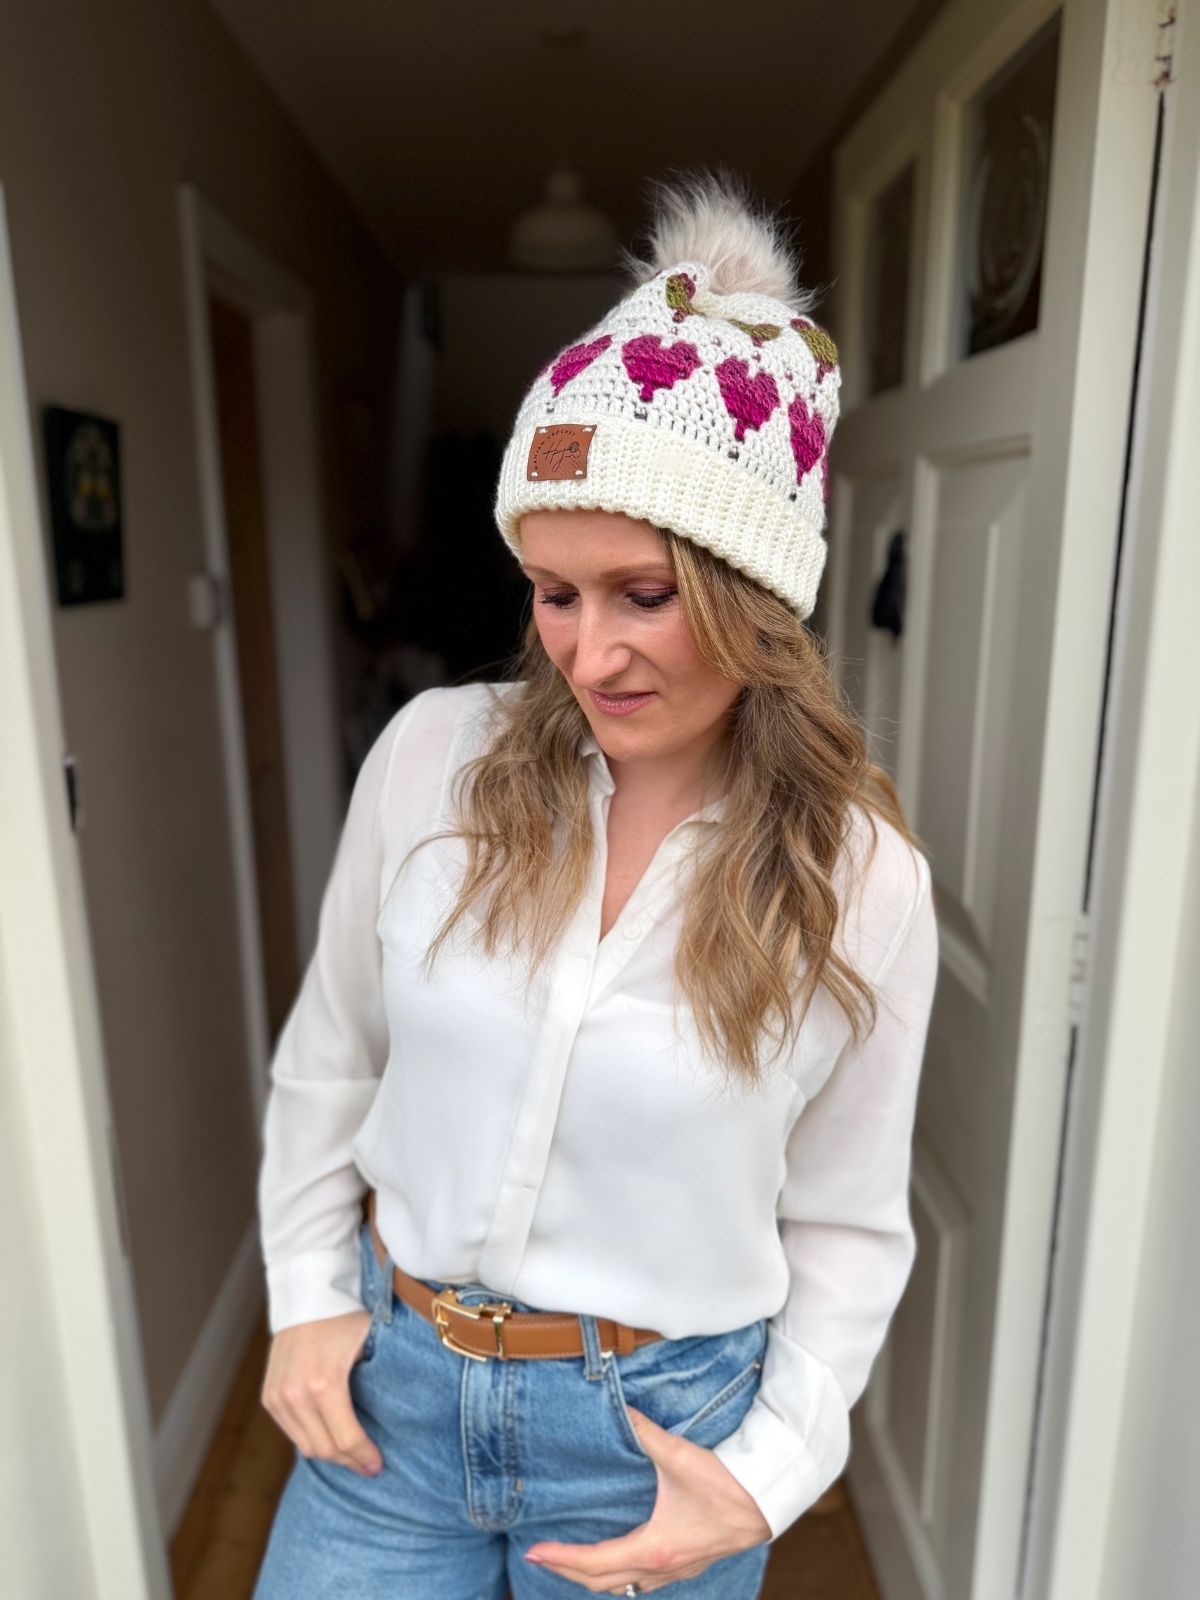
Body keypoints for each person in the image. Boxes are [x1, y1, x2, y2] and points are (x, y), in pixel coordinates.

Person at [252, 167, 939, 1600]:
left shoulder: (857, 876)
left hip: (657, 1438)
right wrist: (307, 1298)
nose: (587, 654)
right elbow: (333, 1059)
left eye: (642, 594)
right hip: (393, 1412)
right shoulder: (433, 757)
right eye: (552, 594)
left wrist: (767, 1475)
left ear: (757, 598)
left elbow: (850, 1218)